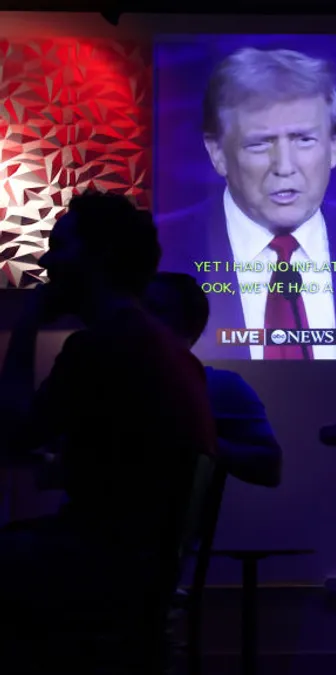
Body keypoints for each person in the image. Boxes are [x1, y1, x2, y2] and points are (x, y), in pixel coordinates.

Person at [0, 192, 217, 670]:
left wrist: (27, 324)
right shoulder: (169, 351)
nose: (46, 259)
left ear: (96, 259)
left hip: (98, 569)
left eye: (59, 247)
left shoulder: (102, 347)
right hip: (141, 574)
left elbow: (14, 434)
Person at [157, 47, 336, 360]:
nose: (285, 166)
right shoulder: (157, 254)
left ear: (334, 147)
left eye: (303, 139)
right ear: (217, 153)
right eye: (260, 144)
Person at [144, 272, 283, 488]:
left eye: (155, 310)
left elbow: (268, 466)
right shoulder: (99, 375)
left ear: (189, 325)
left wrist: (198, 440)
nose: (141, 319)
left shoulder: (216, 386)